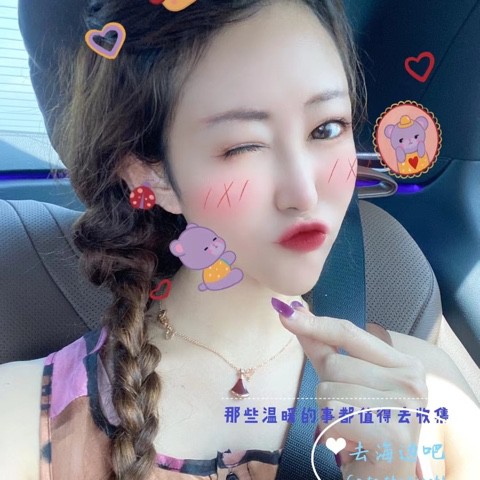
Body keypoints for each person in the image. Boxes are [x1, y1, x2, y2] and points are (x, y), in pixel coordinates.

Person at [1, 0, 479, 479]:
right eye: (243, 146)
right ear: (153, 174)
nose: (304, 192)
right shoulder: (20, 421)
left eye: (326, 128)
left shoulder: (428, 390)